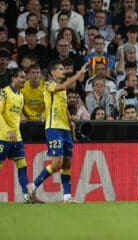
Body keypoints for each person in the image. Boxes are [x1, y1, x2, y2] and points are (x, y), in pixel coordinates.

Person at [27, 61, 88, 203]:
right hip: (53, 127)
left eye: (63, 69)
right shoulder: (48, 85)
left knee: (66, 164)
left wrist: (71, 124)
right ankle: (33, 186)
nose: (63, 71)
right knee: (57, 163)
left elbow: (64, 107)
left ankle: (66, 197)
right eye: (60, 69)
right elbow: (64, 85)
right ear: (52, 72)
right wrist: (78, 74)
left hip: (65, 128)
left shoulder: (61, 91)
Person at [0, 68, 32, 204]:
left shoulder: (20, 96)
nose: (24, 80)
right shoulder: (4, 93)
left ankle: (27, 197)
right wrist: (8, 130)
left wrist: (23, 118)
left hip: (17, 137)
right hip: (2, 137)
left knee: (23, 166)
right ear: (13, 78)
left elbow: (17, 114)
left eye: (24, 77)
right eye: (21, 77)